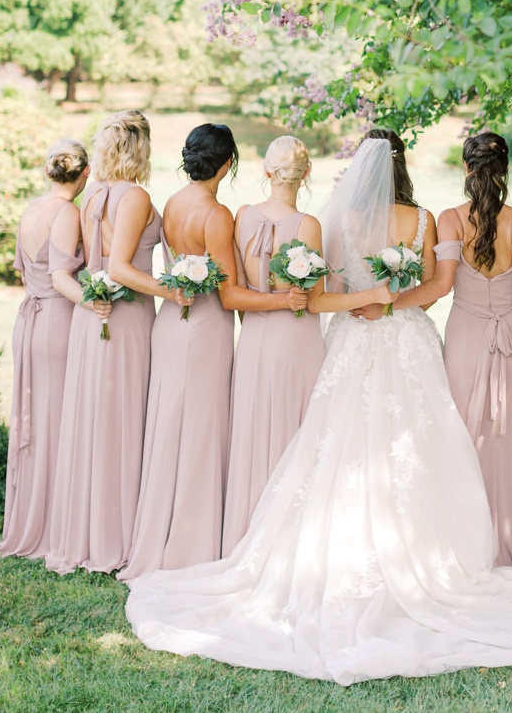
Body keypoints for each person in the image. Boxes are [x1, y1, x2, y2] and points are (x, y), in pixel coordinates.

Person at [123, 132, 512, 684]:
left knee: (342, 450)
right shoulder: (421, 220)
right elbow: (437, 288)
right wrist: (390, 301)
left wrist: (365, 302)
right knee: (416, 445)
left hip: (354, 338)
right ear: (403, 168)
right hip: (408, 340)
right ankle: (426, 558)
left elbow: (321, 299)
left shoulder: (337, 223)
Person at [45, 110, 167, 575]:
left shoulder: (92, 192)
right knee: (120, 421)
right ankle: (114, 538)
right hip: (125, 316)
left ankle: (87, 533)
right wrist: (172, 290)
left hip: (91, 315)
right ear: (140, 149)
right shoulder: (134, 195)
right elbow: (122, 268)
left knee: (96, 422)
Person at [122, 123, 239, 578]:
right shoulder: (217, 215)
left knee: (170, 427)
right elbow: (227, 291)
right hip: (204, 324)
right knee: (200, 431)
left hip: (170, 322)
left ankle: (160, 531)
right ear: (227, 164)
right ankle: (191, 541)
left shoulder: (170, 204)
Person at [428, 131, 512, 571]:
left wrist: (389, 306)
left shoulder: (451, 219)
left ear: (465, 169)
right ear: (505, 171)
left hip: (466, 339)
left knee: (464, 436)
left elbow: (439, 287)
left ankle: (466, 543)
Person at [219, 134, 324, 555]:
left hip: (254, 337)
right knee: (294, 435)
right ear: (306, 174)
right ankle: (288, 542)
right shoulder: (308, 226)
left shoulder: (242, 215)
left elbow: (236, 292)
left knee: (253, 431)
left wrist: (259, 316)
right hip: (296, 338)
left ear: (266, 171)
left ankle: (247, 535)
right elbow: (313, 299)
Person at [0, 138, 89, 560]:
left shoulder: (31, 209)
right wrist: (97, 300)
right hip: (56, 320)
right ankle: (51, 527)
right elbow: (59, 278)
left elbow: (23, 272)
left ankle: (28, 518)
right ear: (84, 174)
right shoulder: (67, 213)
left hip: (26, 321)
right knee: (55, 422)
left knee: (34, 420)